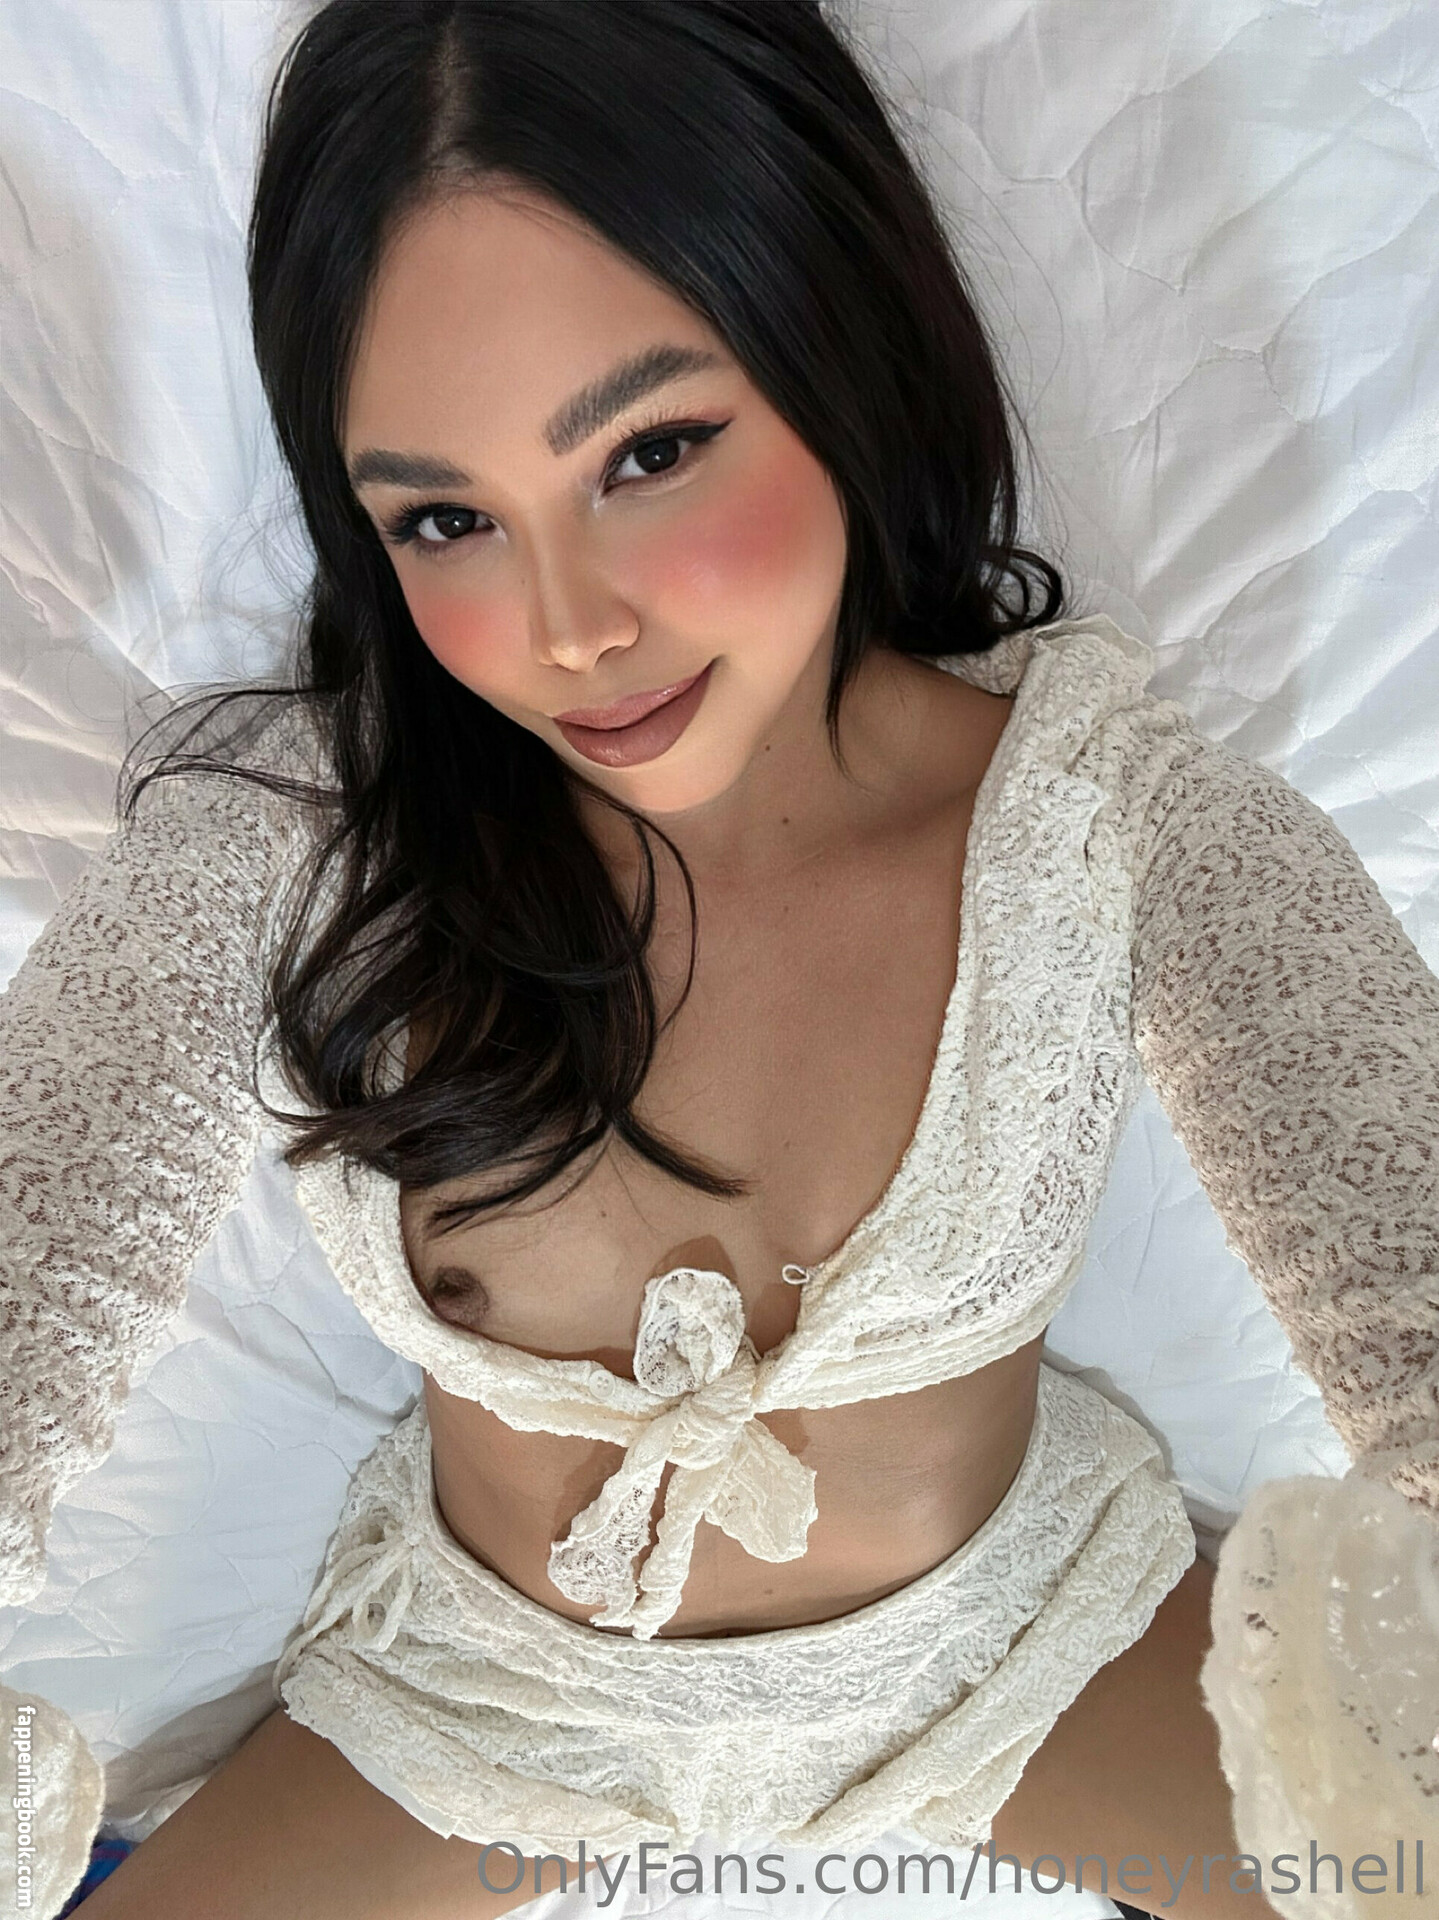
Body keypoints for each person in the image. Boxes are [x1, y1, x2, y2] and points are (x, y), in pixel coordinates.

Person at [2, 2, 1435, 1916]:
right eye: (446, 517)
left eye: (653, 451)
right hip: (481, 1705)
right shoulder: (293, 846)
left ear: (834, 349)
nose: (569, 627)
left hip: (1021, 1650)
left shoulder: (1113, 823)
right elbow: (37, 1252)